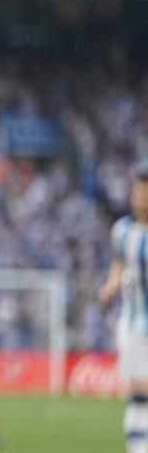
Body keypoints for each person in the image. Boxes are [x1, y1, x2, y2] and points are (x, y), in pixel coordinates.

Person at [100, 162, 148, 453]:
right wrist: (110, 286)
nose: (142, 198)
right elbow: (119, 263)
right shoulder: (123, 231)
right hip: (132, 325)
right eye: (138, 192)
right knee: (138, 393)